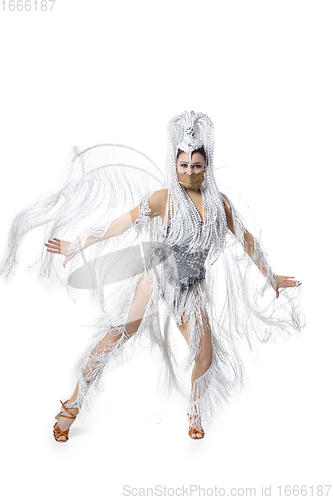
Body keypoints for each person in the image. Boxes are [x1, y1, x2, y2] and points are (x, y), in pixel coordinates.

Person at [1, 111, 304, 442]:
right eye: (184, 165)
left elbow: (245, 239)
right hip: (158, 275)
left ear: (207, 166)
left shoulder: (220, 204)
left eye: (196, 166)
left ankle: (195, 411)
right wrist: (79, 244)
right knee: (118, 335)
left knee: (205, 354)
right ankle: (72, 405)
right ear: (175, 165)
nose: (189, 171)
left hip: (191, 287)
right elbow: (122, 223)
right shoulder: (164, 198)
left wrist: (270, 276)